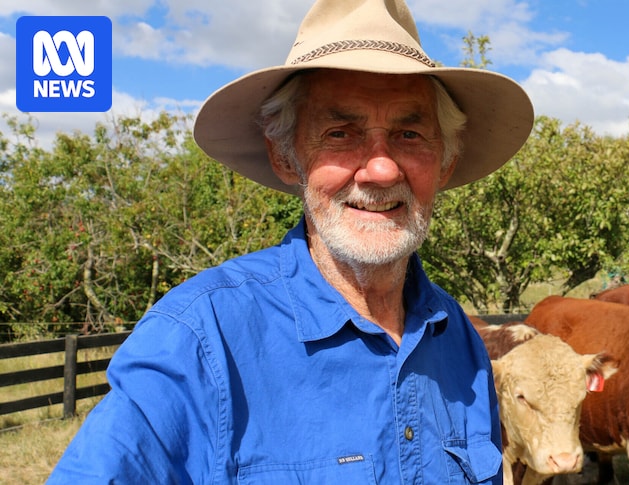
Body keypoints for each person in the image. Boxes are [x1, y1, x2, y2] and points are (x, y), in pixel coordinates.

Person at [47, 0, 533, 483]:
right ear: (284, 157)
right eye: (340, 133)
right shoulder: (199, 338)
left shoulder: (460, 342)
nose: (382, 169)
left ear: (444, 163)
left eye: (409, 133)